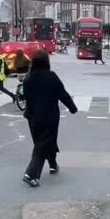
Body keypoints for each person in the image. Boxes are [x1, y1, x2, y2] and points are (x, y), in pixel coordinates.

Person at [22, 49, 78, 186]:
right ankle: (31, 174)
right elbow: (62, 94)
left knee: (44, 141)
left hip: (32, 117)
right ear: (46, 62)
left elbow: (26, 98)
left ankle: (53, 164)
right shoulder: (51, 76)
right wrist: (72, 108)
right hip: (49, 116)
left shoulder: (28, 78)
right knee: (42, 144)